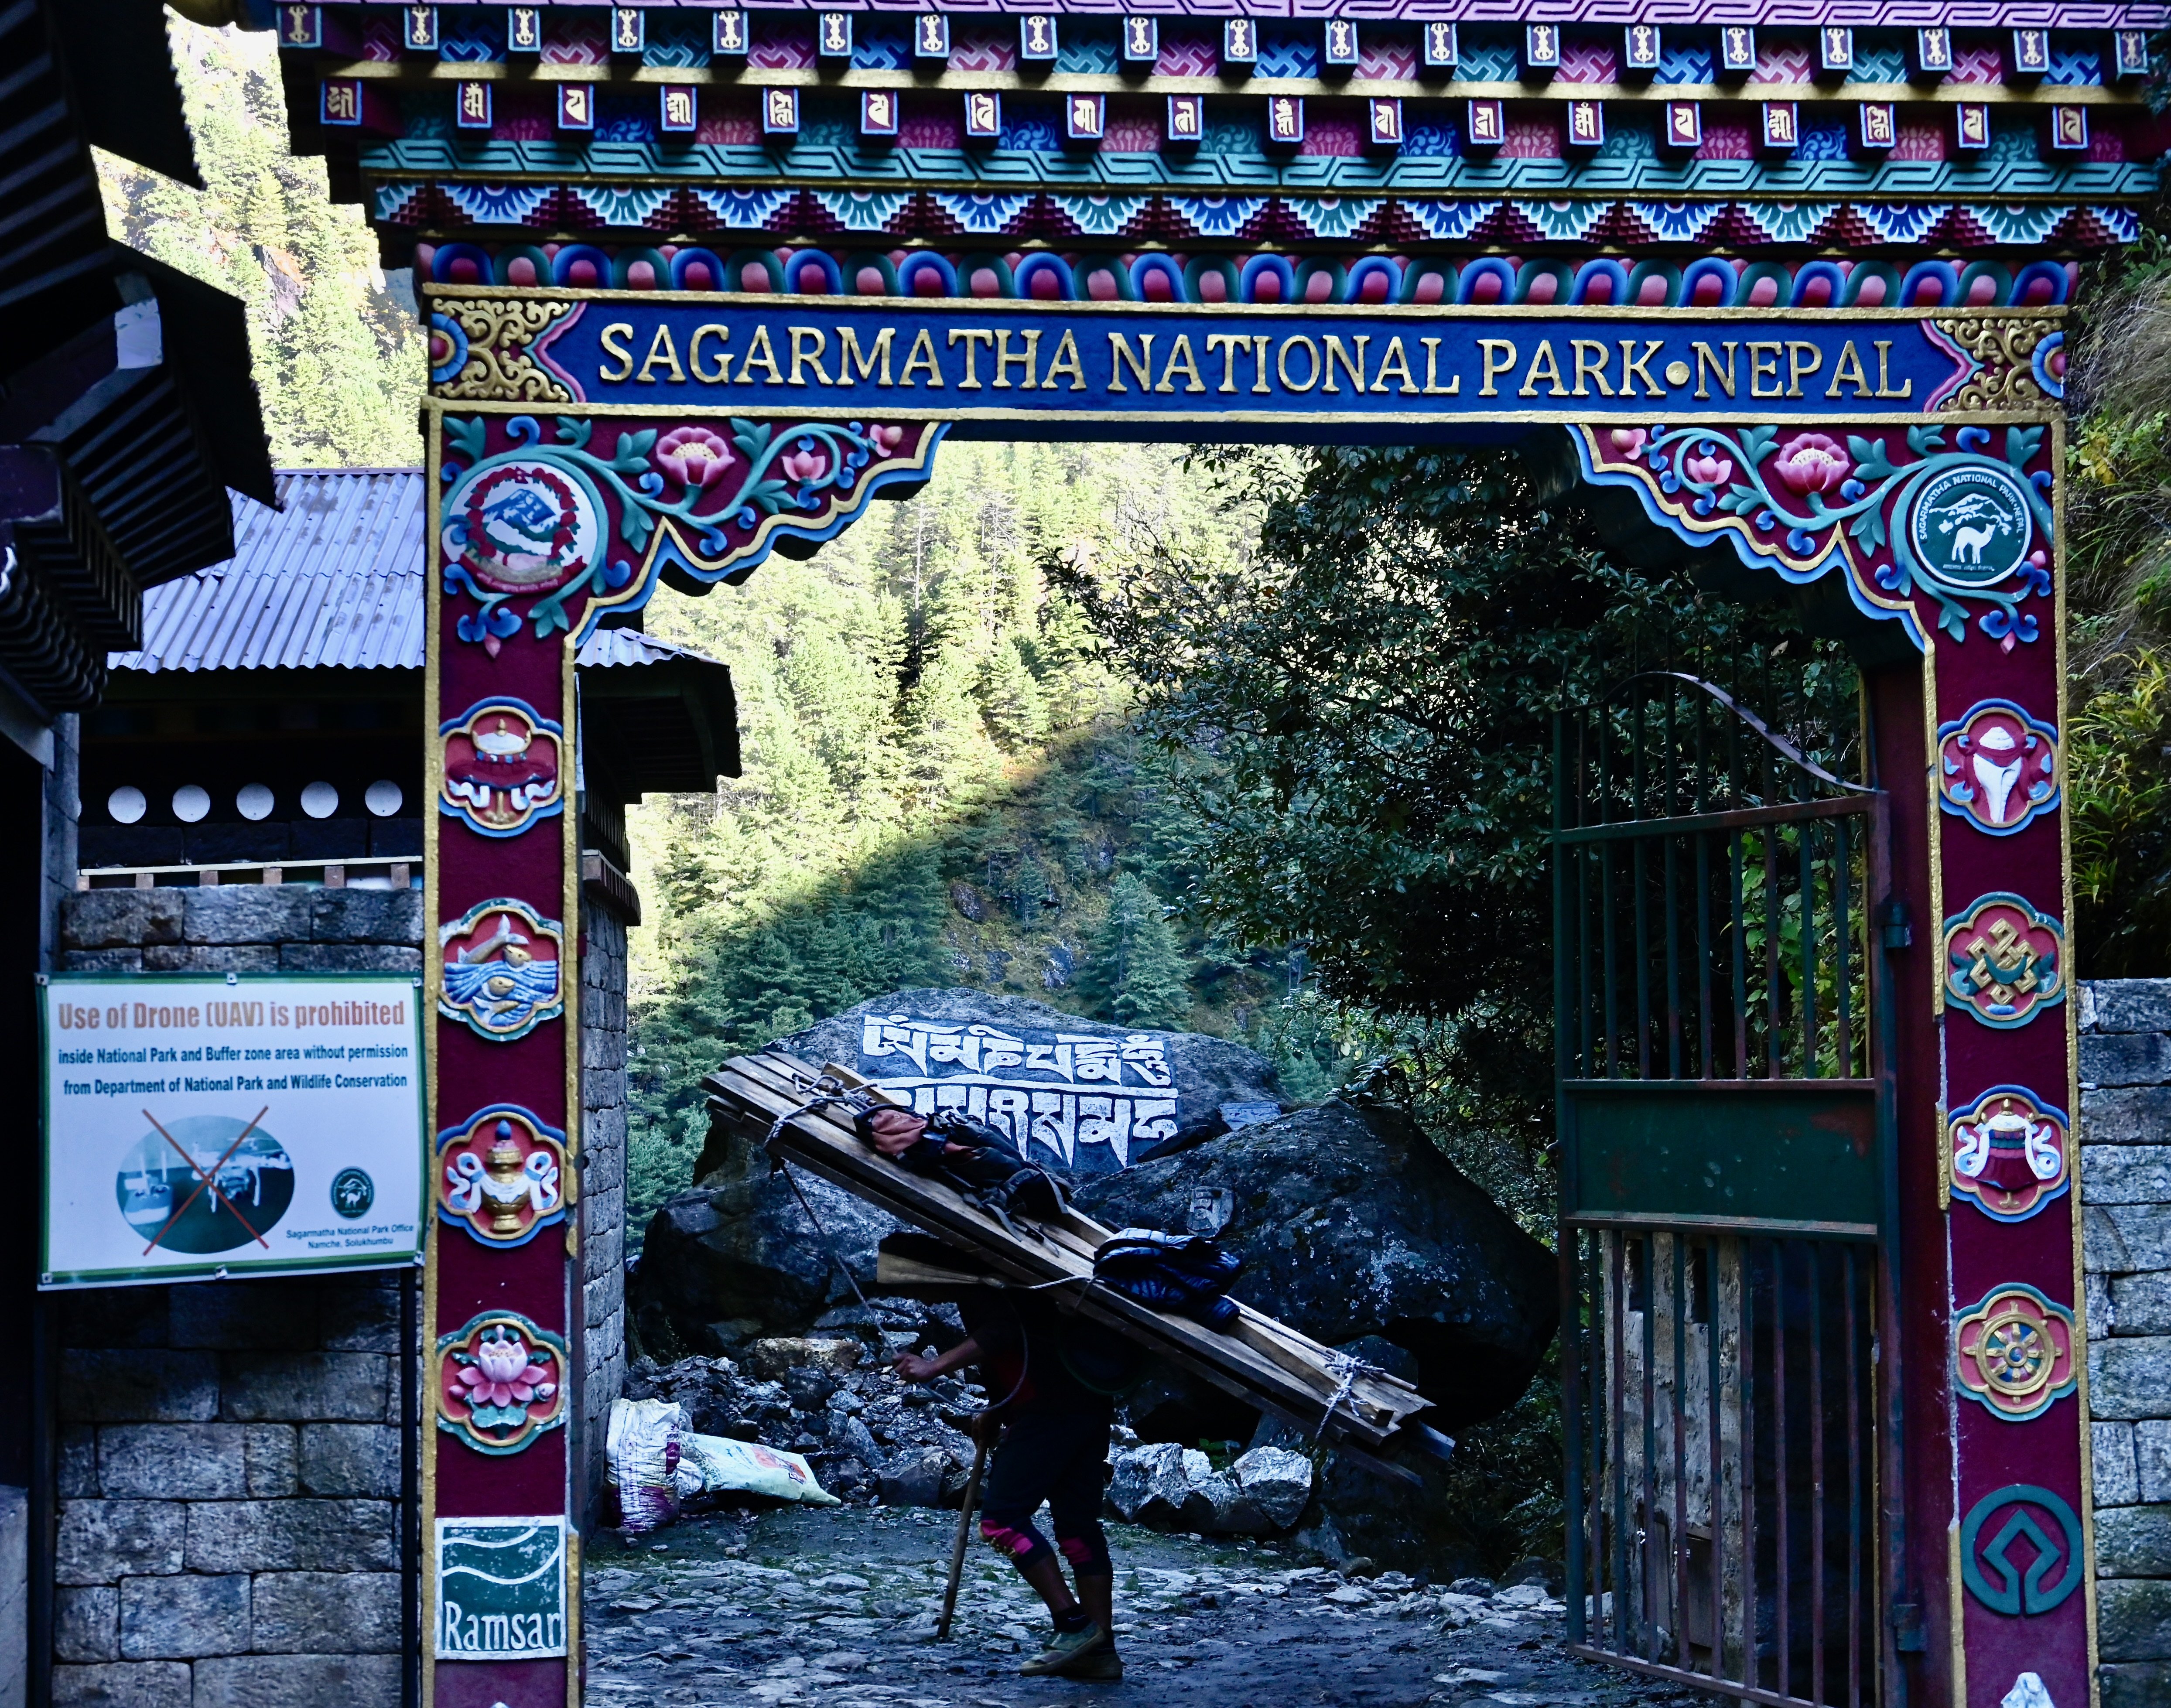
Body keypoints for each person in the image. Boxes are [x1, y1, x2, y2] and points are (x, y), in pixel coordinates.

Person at [892, 1288, 1139, 1680]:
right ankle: (1100, 1653)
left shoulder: (984, 1278)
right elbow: (1028, 1342)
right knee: (1078, 1528)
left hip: (1047, 1409)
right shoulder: (1021, 1275)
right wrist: (998, 1409)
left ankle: (1075, 1626)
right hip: (1085, 1402)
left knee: (1002, 1520)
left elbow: (1004, 1332)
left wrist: (932, 1367)